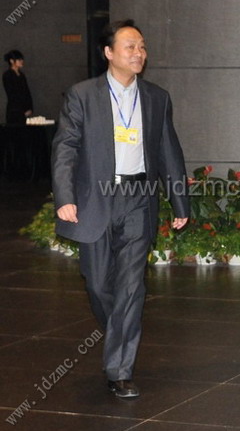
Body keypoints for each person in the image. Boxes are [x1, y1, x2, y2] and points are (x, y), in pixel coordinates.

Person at [52, 20, 189, 399]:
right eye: (130, 47)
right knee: (98, 284)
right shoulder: (82, 95)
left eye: (142, 46)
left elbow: (169, 152)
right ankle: (120, 328)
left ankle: (120, 370)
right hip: (95, 199)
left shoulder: (157, 97)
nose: (139, 53)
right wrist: (65, 196)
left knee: (131, 286)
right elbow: (65, 148)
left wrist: (179, 200)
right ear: (109, 53)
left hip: (139, 197)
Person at [3, 50, 34, 124]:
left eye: (22, 59)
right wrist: (21, 112)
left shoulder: (22, 75)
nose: (22, 61)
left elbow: (27, 92)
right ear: (11, 61)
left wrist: (29, 108)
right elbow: (12, 94)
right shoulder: (7, 75)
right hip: (14, 111)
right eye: (19, 60)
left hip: (24, 110)